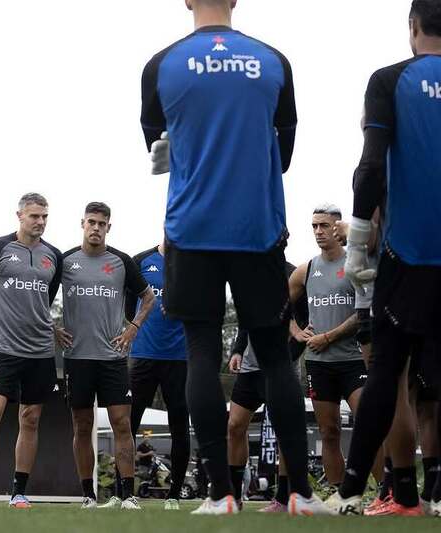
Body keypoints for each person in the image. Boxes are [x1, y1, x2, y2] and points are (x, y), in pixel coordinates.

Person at [141, 0, 328, 515]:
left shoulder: (161, 63)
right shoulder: (272, 60)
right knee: (273, 358)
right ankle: (300, 496)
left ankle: (221, 494)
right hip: (256, 227)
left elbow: (155, 148)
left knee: (201, 352)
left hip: (191, 230)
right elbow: (284, 154)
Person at [325, 0, 441, 516]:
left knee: (388, 373)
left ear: (412, 27)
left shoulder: (390, 80)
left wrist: (356, 239)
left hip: (406, 252)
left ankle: (352, 490)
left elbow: (370, 167)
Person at [0, 193, 62, 509]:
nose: (40, 222)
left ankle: (19, 492)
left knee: (30, 419)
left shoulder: (53, 256)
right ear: (19, 215)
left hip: (40, 352)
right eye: (34, 216)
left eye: (44, 216)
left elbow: (47, 297)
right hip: (2, 349)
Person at [56, 202, 155, 510]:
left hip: (112, 358)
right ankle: (88, 496)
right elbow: (37, 295)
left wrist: (133, 328)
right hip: (77, 358)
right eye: (91, 222)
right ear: (82, 224)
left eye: (102, 223)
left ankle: (128, 496)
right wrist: (52, 327)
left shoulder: (122, 262)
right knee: (82, 426)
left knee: (122, 424)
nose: (96, 228)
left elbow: (148, 297)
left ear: (108, 227)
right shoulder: (65, 261)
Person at [289, 204, 383, 488]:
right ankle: (337, 492)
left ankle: (384, 491)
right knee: (328, 432)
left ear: (338, 227)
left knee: (369, 425)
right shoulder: (306, 270)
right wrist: (295, 330)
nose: (319, 231)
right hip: (319, 364)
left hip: (355, 361)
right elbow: (278, 304)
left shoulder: (355, 264)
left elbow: (363, 312)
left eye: (324, 225)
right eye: (314, 226)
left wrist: (329, 336)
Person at [227, 262, 305, 513]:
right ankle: (234, 496)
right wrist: (237, 350)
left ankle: (283, 499)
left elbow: (303, 327)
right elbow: (246, 320)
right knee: (234, 425)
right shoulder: (249, 271)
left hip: (279, 369)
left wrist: (283, 360)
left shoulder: (295, 275)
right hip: (250, 369)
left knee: (284, 432)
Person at [120, 240, 190, 510]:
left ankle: (174, 495)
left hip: (179, 358)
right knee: (128, 424)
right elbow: (129, 306)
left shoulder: (192, 264)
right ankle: (123, 493)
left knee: (180, 426)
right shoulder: (140, 260)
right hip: (143, 356)